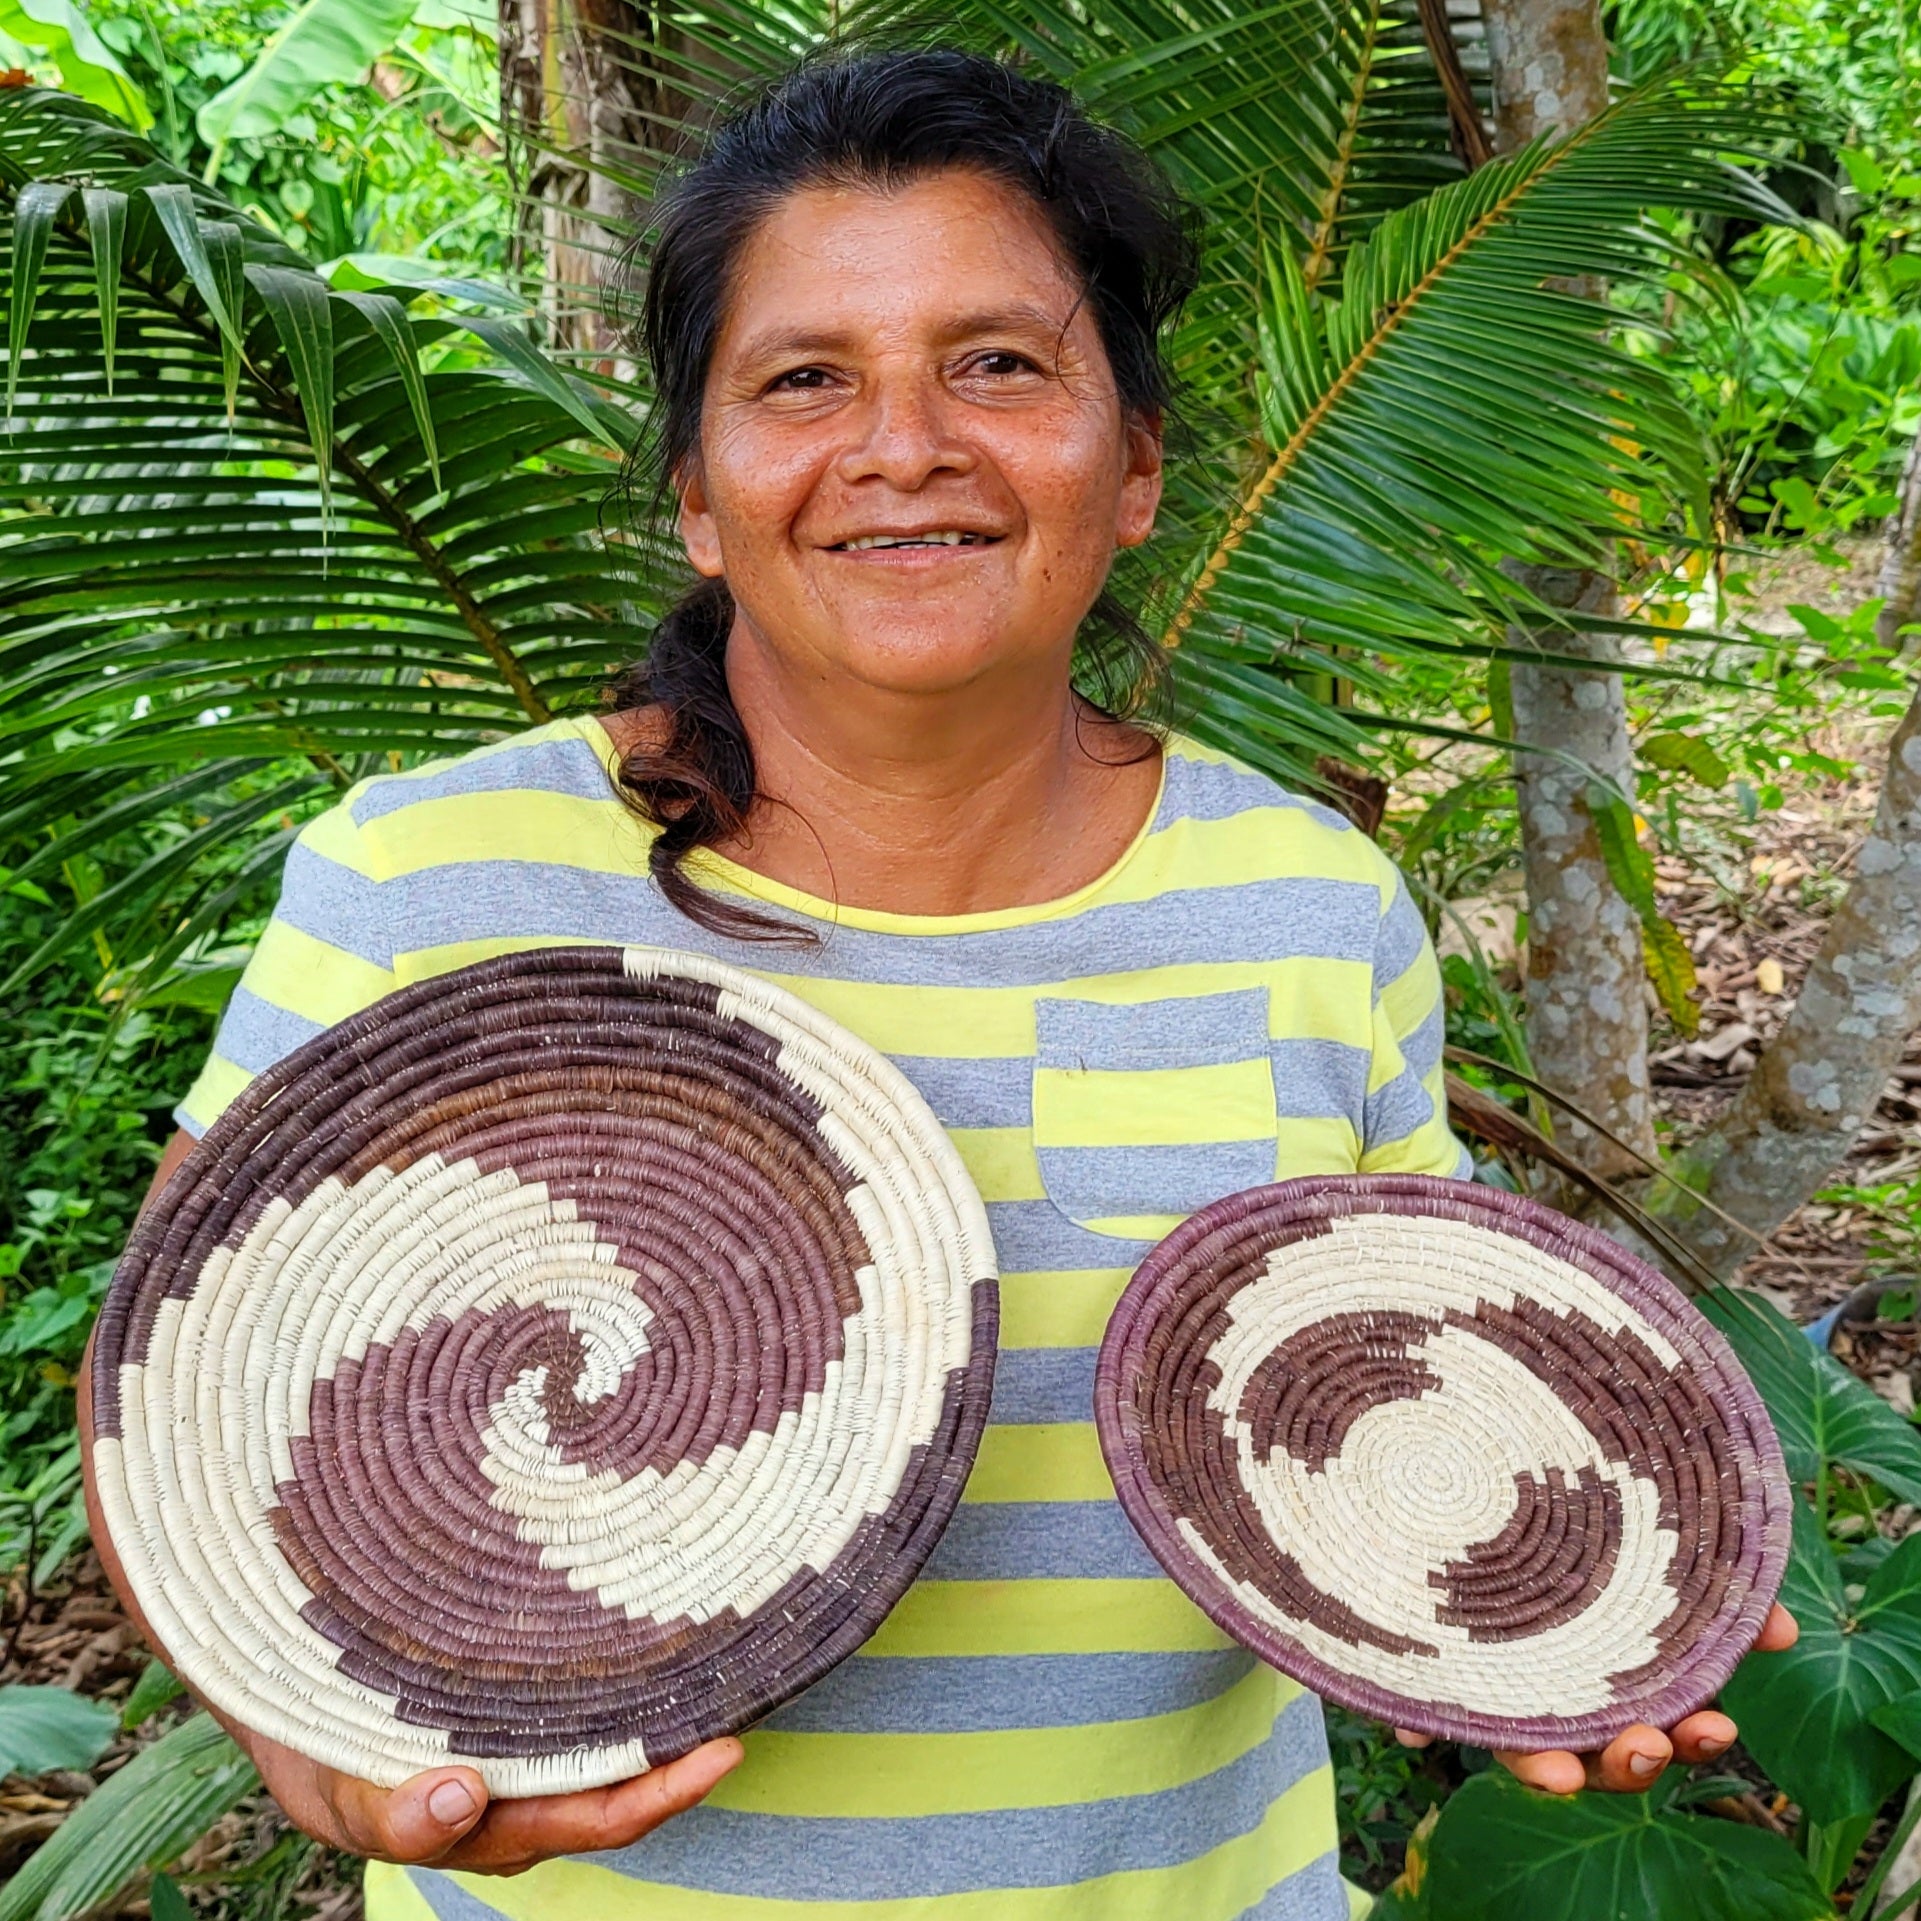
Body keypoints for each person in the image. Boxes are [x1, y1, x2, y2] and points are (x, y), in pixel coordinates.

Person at [80, 47, 1795, 1921]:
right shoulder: (429, 881)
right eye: (803, 379)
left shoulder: (1310, 906)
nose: (903, 444)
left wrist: (1547, 1608)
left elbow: (1421, 1384)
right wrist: (308, 1747)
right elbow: (170, 1408)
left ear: (1133, 467)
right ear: (698, 496)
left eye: (996, 363)